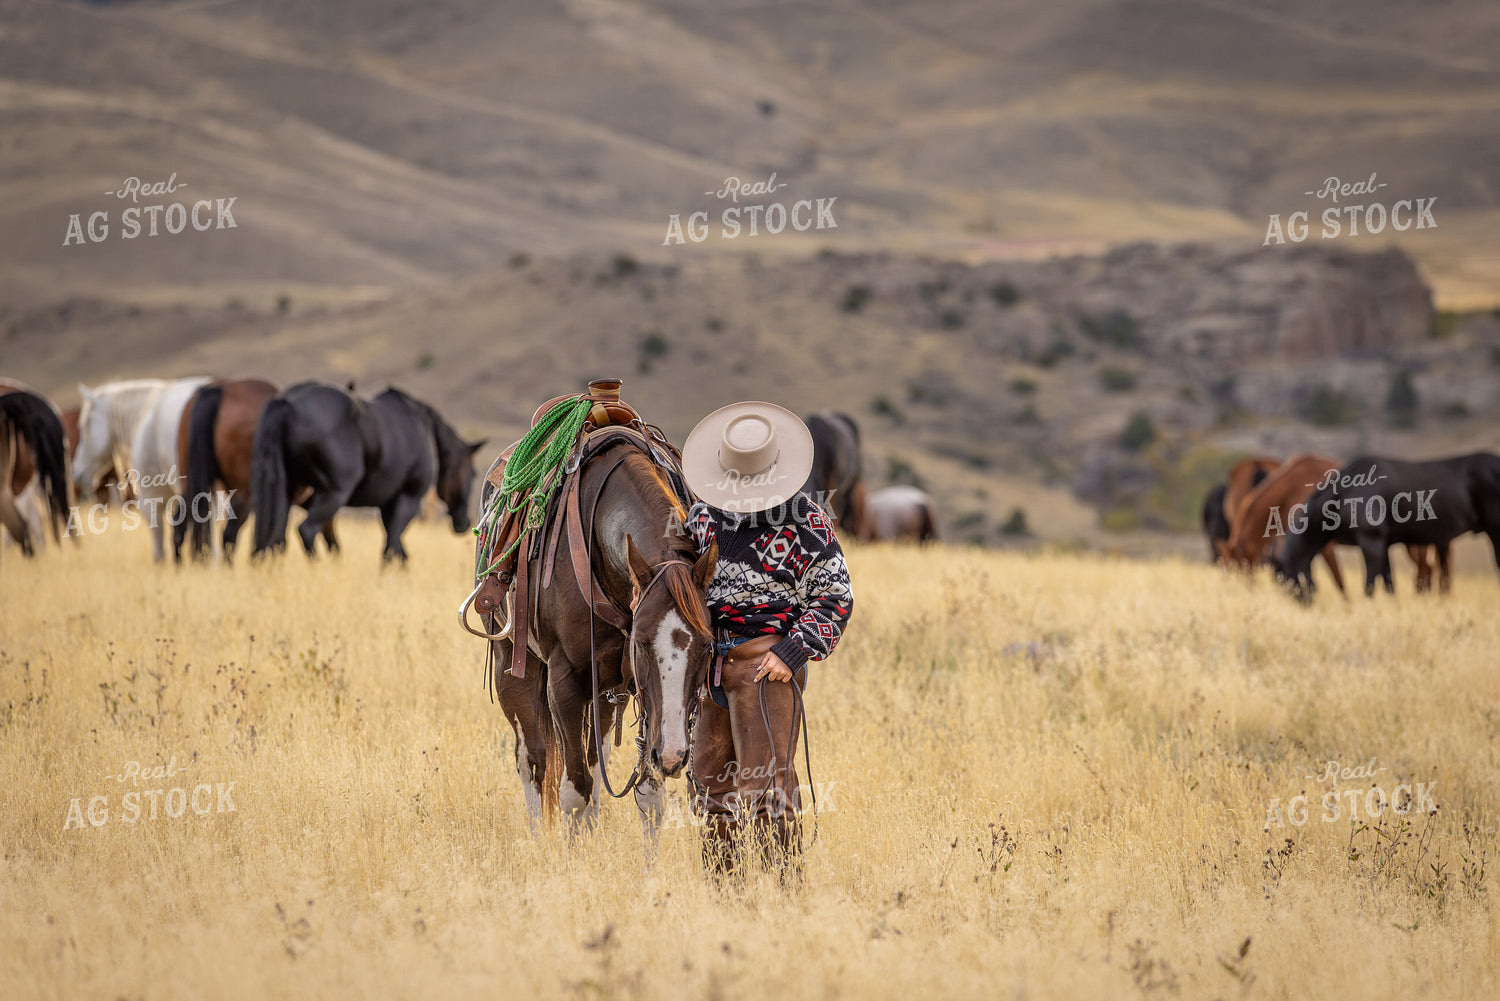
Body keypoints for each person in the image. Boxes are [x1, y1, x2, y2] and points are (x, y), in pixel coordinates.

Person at [678, 401, 854, 879]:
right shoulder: (702, 516)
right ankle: (725, 894)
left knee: (768, 788)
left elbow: (836, 596)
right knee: (710, 788)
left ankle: (782, 892)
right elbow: (680, 577)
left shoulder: (806, 521)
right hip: (711, 664)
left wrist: (791, 652)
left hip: (768, 662)